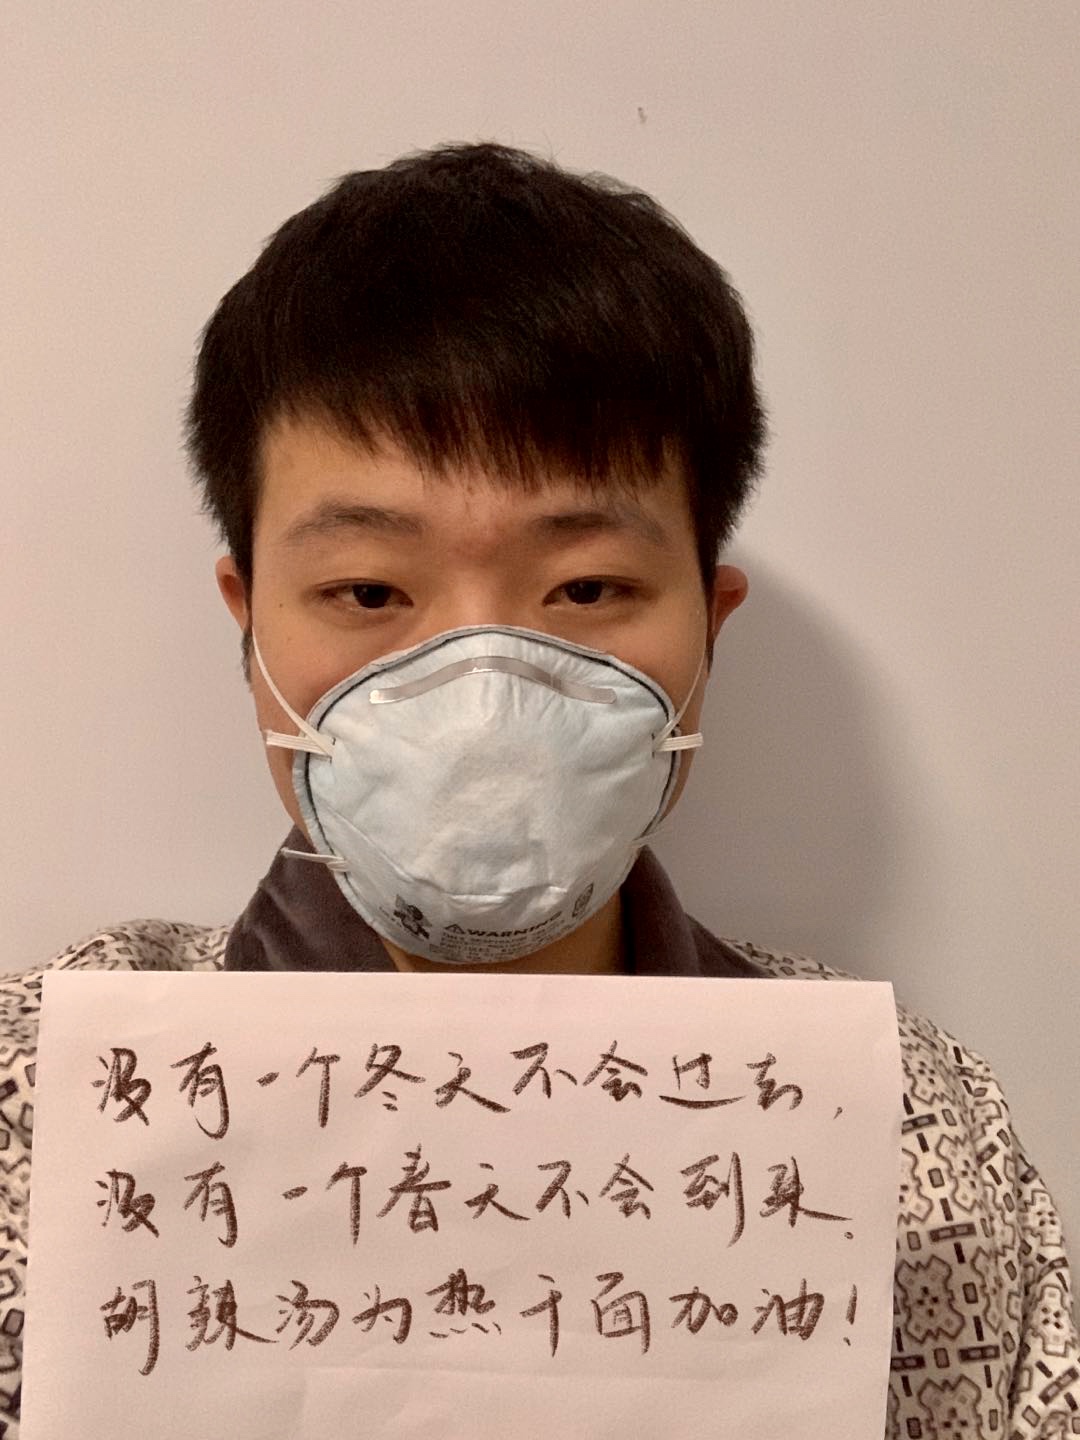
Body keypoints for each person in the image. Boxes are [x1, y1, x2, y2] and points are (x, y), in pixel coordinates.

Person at [1, 141, 1076, 1438]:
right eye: (368, 591)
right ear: (250, 622)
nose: (485, 694)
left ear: (711, 624)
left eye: (586, 588)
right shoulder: (40, 1097)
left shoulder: (917, 1127)